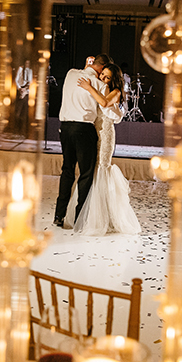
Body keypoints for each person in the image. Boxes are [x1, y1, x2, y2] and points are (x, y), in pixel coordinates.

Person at [63, 63, 141, 235]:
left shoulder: (115, 92)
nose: (103, 79)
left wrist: (89, 87)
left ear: (114, 80)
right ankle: (87, 214)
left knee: (101, 169)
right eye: (102, 75)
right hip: (94, 133)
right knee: (90, 172)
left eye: (107, 77)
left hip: (105, 135)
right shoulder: (99, 88)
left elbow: (104, 103)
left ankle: (103, 217)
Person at [53, 54, 112, 227]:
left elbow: (83, 71)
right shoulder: (101, 86)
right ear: (103, 68)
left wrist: (87, 65)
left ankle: (59, 215)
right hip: (84, 129)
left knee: (67, 170)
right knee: (85, 174)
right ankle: (80, 217)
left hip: (65, 127)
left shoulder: (71, 73)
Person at [15, 60, 32, 130]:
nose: (27, 64)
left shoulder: (30, 70)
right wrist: (20, 89)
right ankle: (16, 128)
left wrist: (27, 90)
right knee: (18, 111)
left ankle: (23, 129)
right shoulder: (20, 69)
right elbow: (16, 80)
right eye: (26, 63)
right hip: (20, 90)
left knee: (25, 112)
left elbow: (31, 82)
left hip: (27, 91)